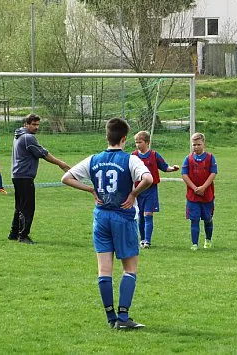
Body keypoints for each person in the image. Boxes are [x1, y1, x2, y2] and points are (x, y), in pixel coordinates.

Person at [62, 118, 153, 329]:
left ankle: (110, 317)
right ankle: (123, 317)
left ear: (107, 137)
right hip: (123, 217)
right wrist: (133, 193)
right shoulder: (130, 160)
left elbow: (66, 178)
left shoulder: (94, 159)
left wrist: (90, 189)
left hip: (101, 218)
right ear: (124, 139)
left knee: (104, 270)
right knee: (129, 268)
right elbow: (147, 179)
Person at [8, 114, 70, 244]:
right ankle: (23, 236)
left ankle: (14, 233)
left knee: (19, 206)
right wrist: (61, 163)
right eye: (34, 125)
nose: (36, 127)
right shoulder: (28, 138)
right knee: (27, 208)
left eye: (38, 125)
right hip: (24, 177)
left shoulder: (18, 136)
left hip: (17, 175)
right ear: (27, 124)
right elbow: (43, 153)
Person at [132, 130, 179, 249]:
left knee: (148, 214)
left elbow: (164, 167)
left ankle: (147, 241)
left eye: (140, 142)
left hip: (151, 190)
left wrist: (172, 169)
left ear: (147, 142)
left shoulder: (154, 155)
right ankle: (142, 240)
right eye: (136, 142)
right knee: (140, 216)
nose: (138, 144)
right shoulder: (133, 156)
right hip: (138, 190)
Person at [181, 132, 217, 251]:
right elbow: (184, 175)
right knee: (194, 219)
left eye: (198, 144)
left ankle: (208, 239)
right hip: (193, 195)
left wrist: (203, 187)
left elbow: (213, 173)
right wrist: (194, 188)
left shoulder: (210, 158)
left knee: (207, 218)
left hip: (207, 195)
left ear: (203, 144)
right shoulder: (188, 159)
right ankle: (194, 244)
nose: (196, 147)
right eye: (194, 144)